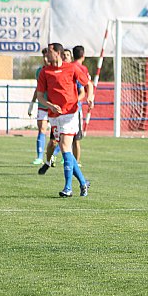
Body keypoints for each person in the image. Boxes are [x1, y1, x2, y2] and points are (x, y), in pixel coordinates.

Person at [36, 43, 94, 197]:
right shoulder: (45, 72)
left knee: (64, 145)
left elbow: (88, 84)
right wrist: (51, 105)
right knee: (64, 149)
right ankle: (83, 183)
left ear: (58, 53)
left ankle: (68, 188)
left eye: (49, 52)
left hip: (70, 113)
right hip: (54, 115)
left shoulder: (72, 68)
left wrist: (90, 97)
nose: (47, 54)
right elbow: (40, 96)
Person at [28, 48, 59, 166]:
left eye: (47, 56)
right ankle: (40, 157)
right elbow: (38, 89)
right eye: (44, 57)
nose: (46, 59)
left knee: (58, 134)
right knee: (42, 129)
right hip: (43, 105)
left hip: (55, 106)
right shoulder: (39, 71)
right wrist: (32, 103)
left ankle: (53, 154)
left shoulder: (56, 71)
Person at [72, 45, 91, 166]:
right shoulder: (82, 68)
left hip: (69, 108)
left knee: (67, 137)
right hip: (75, 108)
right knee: (75, 139)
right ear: (83, 56)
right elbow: (88, 84)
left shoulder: (70, 67)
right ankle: (75, 162)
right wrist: (90, 98)